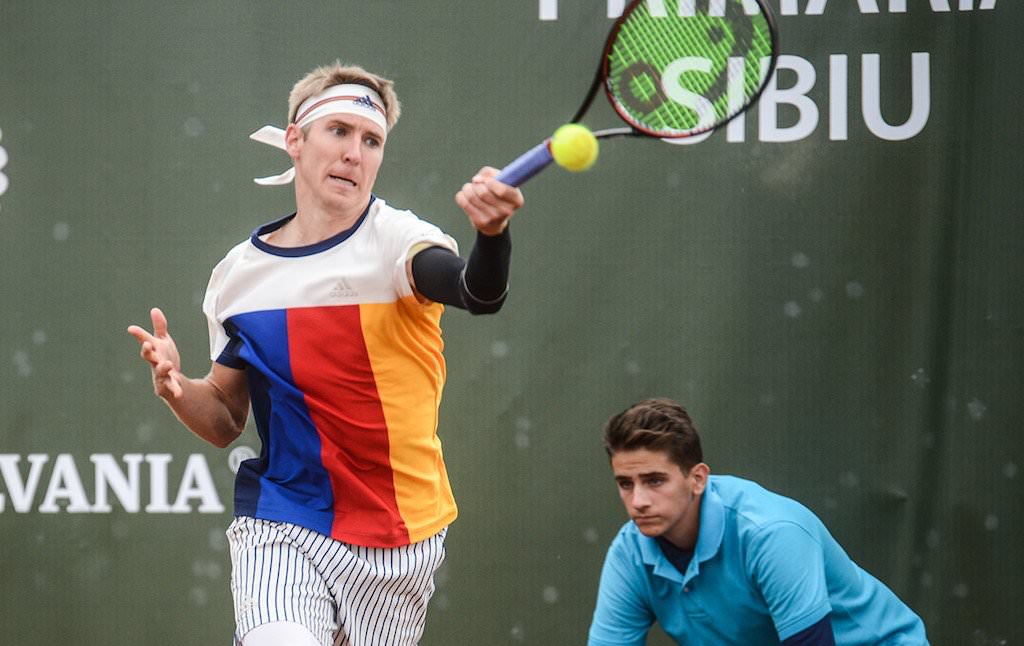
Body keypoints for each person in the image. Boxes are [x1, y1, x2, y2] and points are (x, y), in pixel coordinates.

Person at [127, 61, 524, 646]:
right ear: (295, 140)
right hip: (284, 517)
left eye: (370, 141)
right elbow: (225, 421)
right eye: (338, 131)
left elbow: (476, 293)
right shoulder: (238, 276)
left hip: (399, 534)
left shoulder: (400, 241)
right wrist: (177, 387)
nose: (354, 154)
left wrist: (492, 235)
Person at [590, 398, 929, 645]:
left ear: (697, 479)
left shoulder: (771, 534)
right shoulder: (629, 552)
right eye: (625, 484)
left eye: (655, 480)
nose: (638, 501)